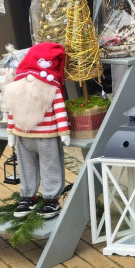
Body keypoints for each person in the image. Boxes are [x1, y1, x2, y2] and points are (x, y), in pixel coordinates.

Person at [5, 42, 69, 220]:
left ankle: (51, 198)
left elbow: (60, 111)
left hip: (47, 136)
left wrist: (64, 133)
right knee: (26, 168)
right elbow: (13, 111)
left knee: (51, 166)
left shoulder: (52, 89)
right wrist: (11, 132)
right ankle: (27, 196)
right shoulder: (17, 89)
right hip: (23, 136)